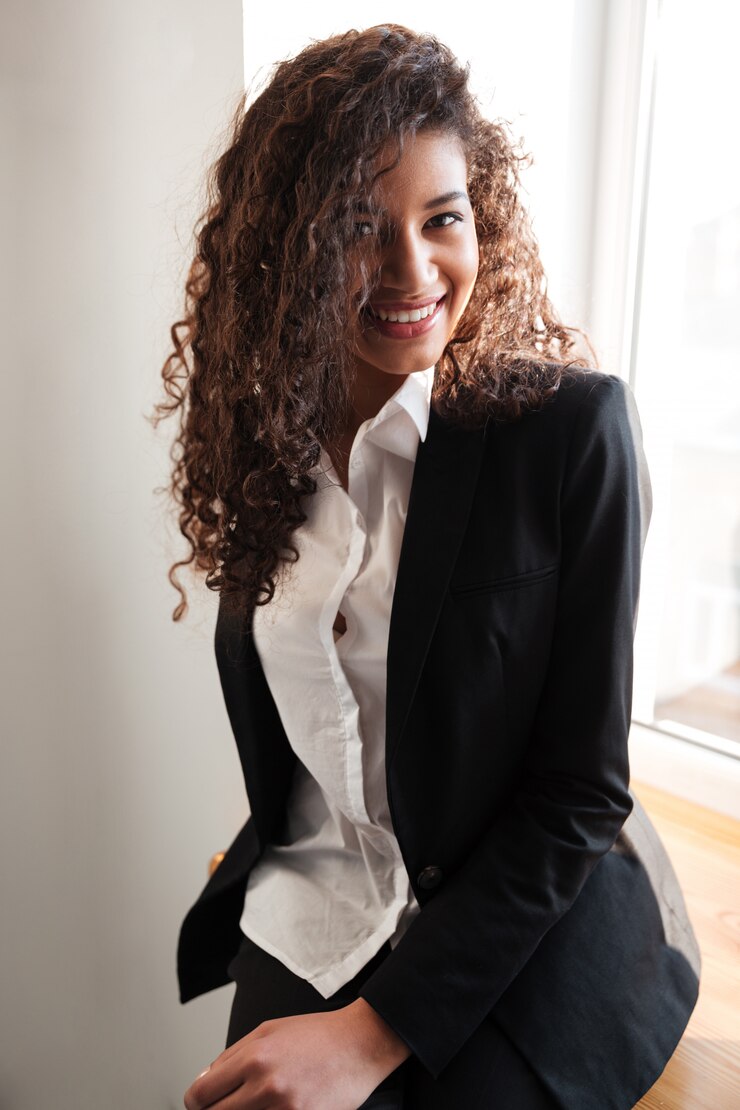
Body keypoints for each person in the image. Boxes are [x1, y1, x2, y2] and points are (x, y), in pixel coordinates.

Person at [153, 24, 701, 1110]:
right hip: (313, 900)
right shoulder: (255, 441)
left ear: (477, 217)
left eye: (439, 218)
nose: (412, 269)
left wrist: (373, 1032)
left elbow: (578, 792)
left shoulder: (569, 434)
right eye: (358, 228)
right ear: (289, 249)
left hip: (526, 917)